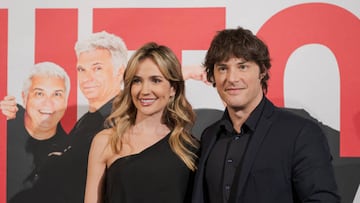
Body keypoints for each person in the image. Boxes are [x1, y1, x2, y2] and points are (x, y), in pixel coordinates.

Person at [191, 27, 340, 203]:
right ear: (212, 76)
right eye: (222, 68)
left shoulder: (300, 133)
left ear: (262, 71)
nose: (231, 78)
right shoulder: (209, 136)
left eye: (243, 67)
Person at [84, 42, 199, 203]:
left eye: (156, 80)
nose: (144, 90)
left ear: (173, 88)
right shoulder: (106, 141)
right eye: (137, 81)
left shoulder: (189, 148)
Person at [3, 62, 70, 202]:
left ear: (66, 101)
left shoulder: (72, 151)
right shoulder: (5, 127)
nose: (48, 103)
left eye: (57, 94)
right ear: (24, 97)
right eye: (39, 93)